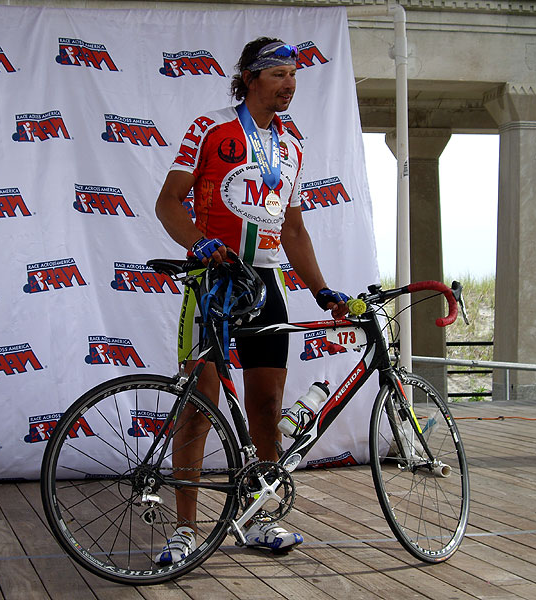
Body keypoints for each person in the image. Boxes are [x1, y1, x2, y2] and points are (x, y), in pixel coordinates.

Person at [154, 37, 350, 564]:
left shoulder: (292, 146)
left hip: (266, 284)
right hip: (215, 281)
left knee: (266, 408)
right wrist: (199, 242)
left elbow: (293, 230)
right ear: (249, 77)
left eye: (294, 74)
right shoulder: (210, 128)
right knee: (199, 407)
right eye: (278, 74)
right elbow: (168, 202)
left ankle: (259, 515)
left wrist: (322, 290)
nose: (290, 84)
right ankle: (185, 529)